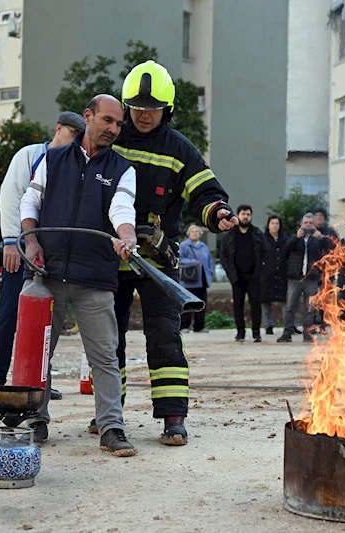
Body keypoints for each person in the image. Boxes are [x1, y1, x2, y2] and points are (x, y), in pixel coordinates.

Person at [112, 61, 236, 446]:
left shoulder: (179, 149)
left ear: (167, 108)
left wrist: (217, 213)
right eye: (136, 106)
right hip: (110, 257)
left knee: (165, 336)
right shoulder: (110, 141)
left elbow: (205, 192)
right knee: (106, 340)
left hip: (157, 262)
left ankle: (173, 418)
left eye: (152, 107)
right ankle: (109, 414)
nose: (143, 114)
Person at [19, 94, 137, 456]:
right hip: (46, 274)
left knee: (104, 356)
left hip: (95, 278)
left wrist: (127, 235)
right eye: (107, 121)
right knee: (36, 354)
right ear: (88, 117)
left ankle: (111, 427)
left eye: (119, 125)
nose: (114, 130)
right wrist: (32, 240)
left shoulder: (123, 169)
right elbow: (30, 200)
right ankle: (34, 419)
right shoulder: (52, 159)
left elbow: (122, 207)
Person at [0, 111, 84, 395]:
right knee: (10, 313)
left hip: (53, 252)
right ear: (59, 128)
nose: (76, 140)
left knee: (46, 321)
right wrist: (11, 241)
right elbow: (11, 194)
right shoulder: (29, 155)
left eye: (80, 136)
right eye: (73, 133)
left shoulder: (73, 165)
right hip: (23, 246)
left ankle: (37, 382)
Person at [277, 213, 332, 343]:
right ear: (301, 224)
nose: (308, 226)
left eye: (310, 223)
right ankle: (287, 332)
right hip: (295, 278)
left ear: (314, 225)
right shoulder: (294, 239)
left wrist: (321, 238)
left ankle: (307, 333)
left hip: (311, 278)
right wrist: (296, 237)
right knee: (290, 306)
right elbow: (284, 250)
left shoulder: (317, 240)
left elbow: (331, 248)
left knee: (310, 308)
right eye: (305, 223)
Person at [220, 205, 265, 342]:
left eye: (248, 214)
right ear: (238, 216)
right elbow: (223, 255)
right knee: (238, 306)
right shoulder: (230, 235)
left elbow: (264, 253)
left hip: (254, 277)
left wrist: (260, 272)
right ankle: (240, 332)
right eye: (243, 214)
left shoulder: (257, 233)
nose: (246, 216)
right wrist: (230, 273)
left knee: (256, 305)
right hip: (237, 277)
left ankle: (256, 332)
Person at [178, 224, 213, 333]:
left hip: (202, 279)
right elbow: (179, 259)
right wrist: (192, 262)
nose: (195, 233)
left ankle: (199, 326)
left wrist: (210, 273)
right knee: (187, 304)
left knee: (201, 303)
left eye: (197, 231)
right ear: (188, 233)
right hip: (189, 280)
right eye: (193, 231)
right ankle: (184, 326)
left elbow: (209, 261)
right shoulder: (184, 245)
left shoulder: (204, 246)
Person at [260, 215, 288, 335]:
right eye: (272, 223)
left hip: (282, 274)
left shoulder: (285, 239)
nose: (275, 226)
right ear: (268, 225)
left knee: (286, 301)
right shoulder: (262, 239)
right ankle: (268, 325)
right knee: (265, 301)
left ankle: (289, 325)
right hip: (267, 273)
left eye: (277, 223)